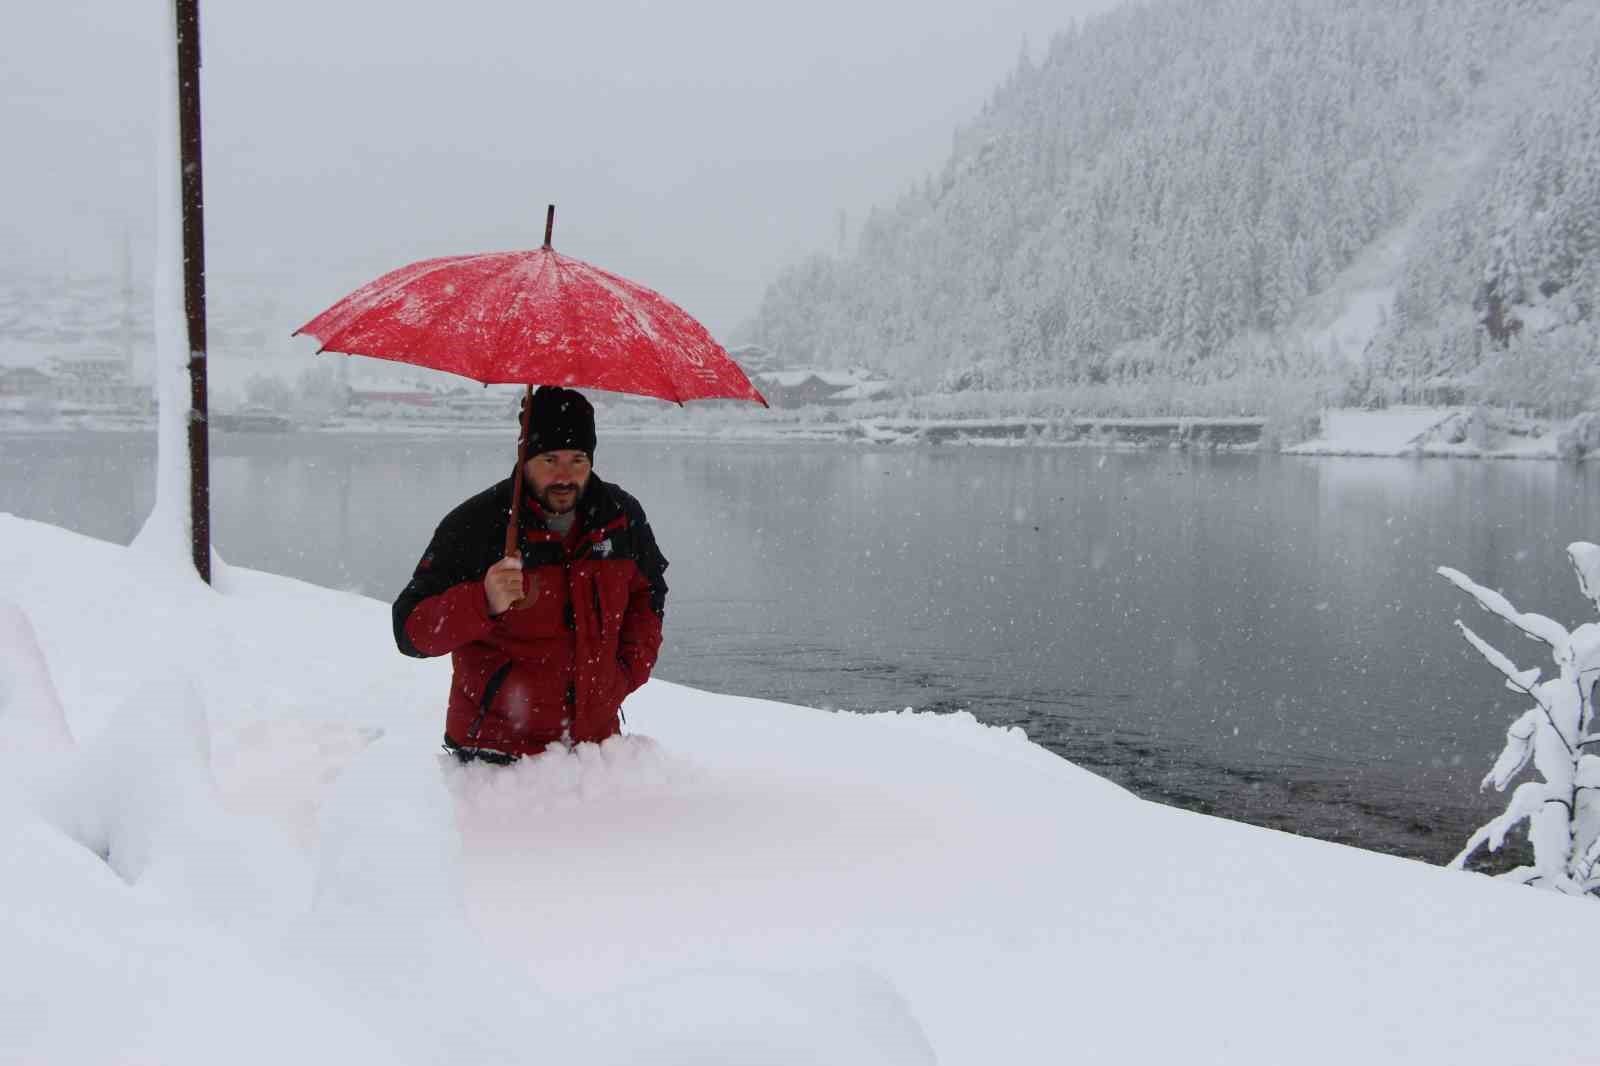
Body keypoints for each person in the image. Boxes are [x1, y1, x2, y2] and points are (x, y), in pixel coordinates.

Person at [392, 386, 668, 762]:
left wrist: (623, 674)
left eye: (578, 460)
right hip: (494, 758)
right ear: (525, 456)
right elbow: (411, 633)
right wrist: (483, 601)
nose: (565, 476)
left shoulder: (620, 517)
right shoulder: (476, 524)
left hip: (592, 751)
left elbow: (648, 596)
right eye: (550, 459)